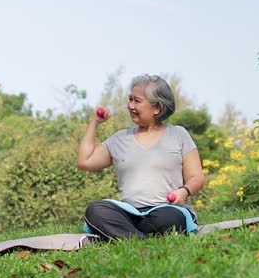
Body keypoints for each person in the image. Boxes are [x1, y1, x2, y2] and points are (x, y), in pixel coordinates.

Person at [77, 74, 205, 240]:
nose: (130, 106)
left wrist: (184, 192)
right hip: (129, 213)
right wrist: (95, 123)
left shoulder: (178, 134)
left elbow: (196, 177)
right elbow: (84, 162)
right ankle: (141, 240)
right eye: (130, 99)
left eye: (137, 101)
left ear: (156, 108)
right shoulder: (120, 138)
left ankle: (126, 236)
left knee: (169, 219)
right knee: (95, 210)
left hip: (166, 210)